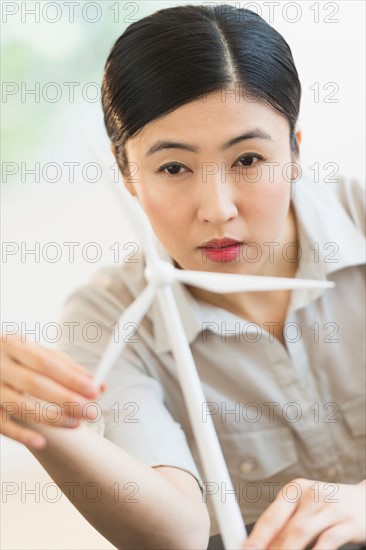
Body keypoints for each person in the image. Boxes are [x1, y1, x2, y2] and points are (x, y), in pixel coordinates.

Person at [1, 4, 365, 549]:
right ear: (126, 174)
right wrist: (37, 419)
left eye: (247, 159)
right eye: (173, 167)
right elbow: (179, 534)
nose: (216, 209)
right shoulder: (106, 318)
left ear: (294, 153)